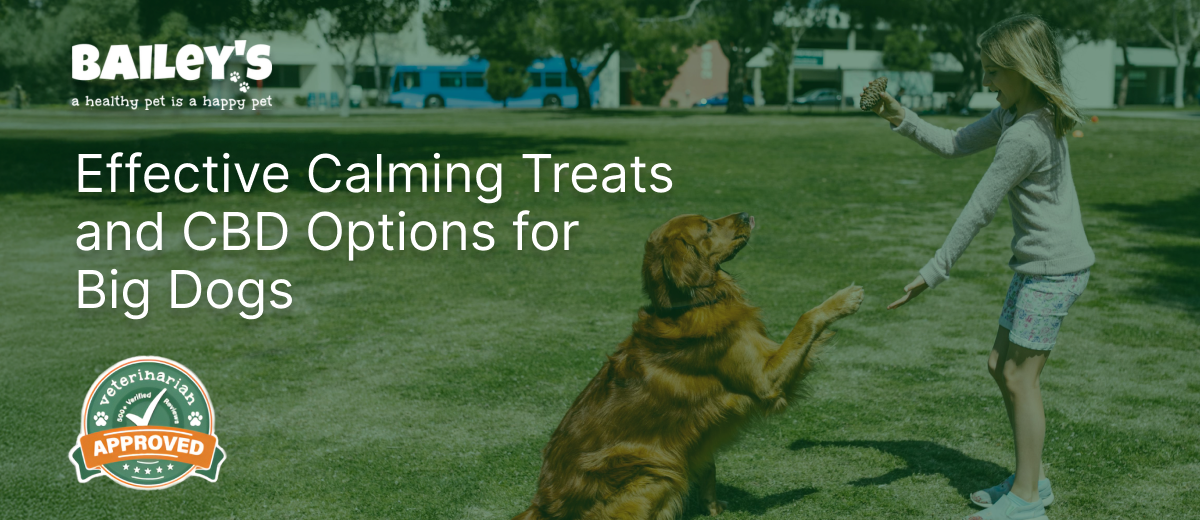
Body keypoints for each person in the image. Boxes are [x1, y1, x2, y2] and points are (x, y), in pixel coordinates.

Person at [869, 14, 1093, 520]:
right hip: (1038, 268)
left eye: (994, 71)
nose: (986, 81)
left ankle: (1028, 500)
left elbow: (978, 210)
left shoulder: (1025, 134)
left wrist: (932, 271)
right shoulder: (1015, 115)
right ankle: (1030, 480)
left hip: (1053, 272)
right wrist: (898, 114)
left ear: (1024, 69)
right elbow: (953, 143)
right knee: (1001, 366)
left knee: (1020, 377)